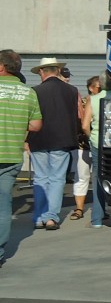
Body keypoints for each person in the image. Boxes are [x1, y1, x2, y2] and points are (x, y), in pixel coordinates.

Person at [26, 57, 85, 231]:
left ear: (41, 72)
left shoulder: (34, 91)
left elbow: (29, 117)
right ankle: (51, 217)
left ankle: (39, 217)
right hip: (62, 139)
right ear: (58, 71)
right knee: (57, 179)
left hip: (38, 139)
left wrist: (25, 139)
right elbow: (79, 115)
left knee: (41, 178)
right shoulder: (72, 90)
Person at [1, 50, 43, 268]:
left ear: (1, 67)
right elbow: (36, 125)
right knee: (3, 205)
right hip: (11, 155)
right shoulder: (28, 92)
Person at [63, 66, 91, 221]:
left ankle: (80, 209)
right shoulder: (76, 95)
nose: (68, 79)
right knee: (83, 176)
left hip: (79, 142)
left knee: (81, 176)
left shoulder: (79, 96)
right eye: (66, 76)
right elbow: (81, 120)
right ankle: (84, 209)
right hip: (81, 142)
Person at [79, 76, 107, 228]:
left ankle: (97, 219)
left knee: (97, 178)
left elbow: (84, 125)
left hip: (98, 142)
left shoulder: (93, 100)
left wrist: (91, 137)